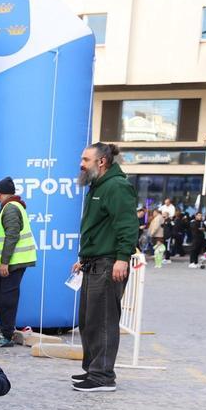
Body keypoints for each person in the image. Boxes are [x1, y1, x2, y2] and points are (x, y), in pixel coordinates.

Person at [71, 142, 138, 393]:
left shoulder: (116, 186)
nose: (81, 163)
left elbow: (127, 225)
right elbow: (100, 228)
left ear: (101, 162)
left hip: (109, 264)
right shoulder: (98, 186)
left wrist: (122, 258)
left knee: (104, 320)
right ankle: (93, 369)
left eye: (86, 159)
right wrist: (84, 257)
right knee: (89, 320)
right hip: (94, 262)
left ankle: (102, 376)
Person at [0, 177, 37, 348]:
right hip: (9, 261)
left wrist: (4, 262)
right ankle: (7, 328)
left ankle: (6, 334)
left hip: (13, 262)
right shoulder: (12, 207)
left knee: (7, 298)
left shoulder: (11, 208)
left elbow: (12, 235)